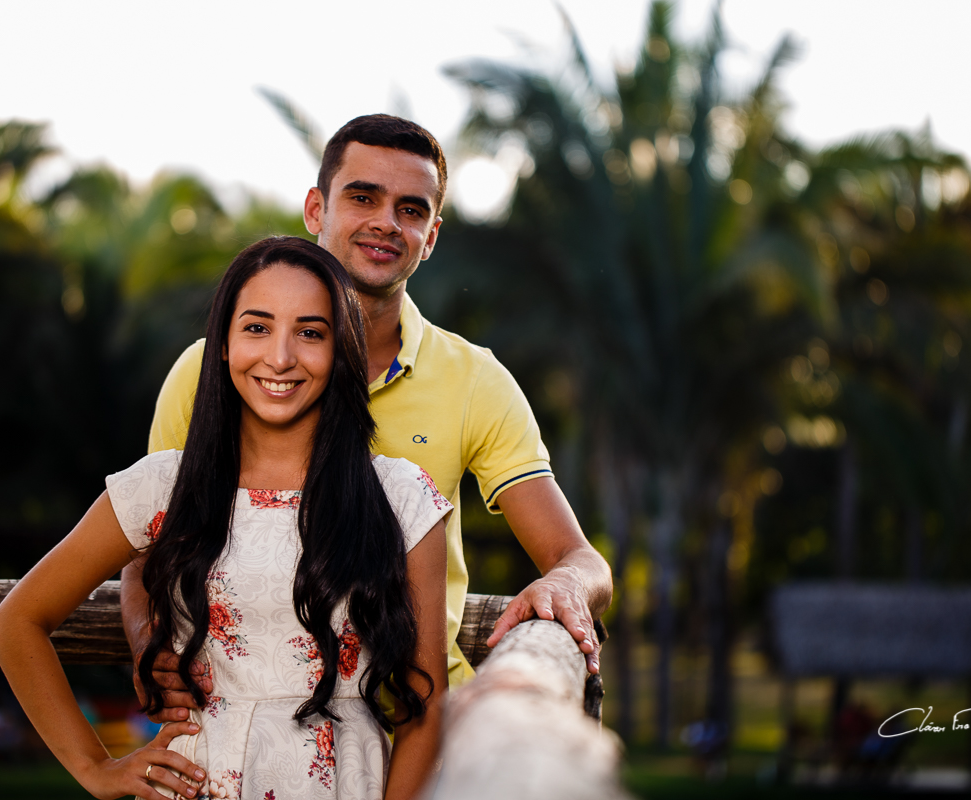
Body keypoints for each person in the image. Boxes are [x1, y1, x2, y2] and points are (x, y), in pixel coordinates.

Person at [126, 114, 613, 723]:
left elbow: (580, 557)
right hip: (246, 739)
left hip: (417, 734)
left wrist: (565, 584)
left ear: (430, 236)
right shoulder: (215, 369)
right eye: (362, 197)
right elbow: (145, 550)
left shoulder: (474, 380)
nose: (387, 221)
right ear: (315, 210)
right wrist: (149, 649)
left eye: (410, 209)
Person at [0, 237, 450, 800]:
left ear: (341, 350)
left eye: (310, 332)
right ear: (224, 345)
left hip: (344, 782)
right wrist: (94, 767)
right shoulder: (162, 486)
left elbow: (426, 706)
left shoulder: (401, 497)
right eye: (257, 328)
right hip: (196, 780)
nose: (280, 357)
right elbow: (16, 623)